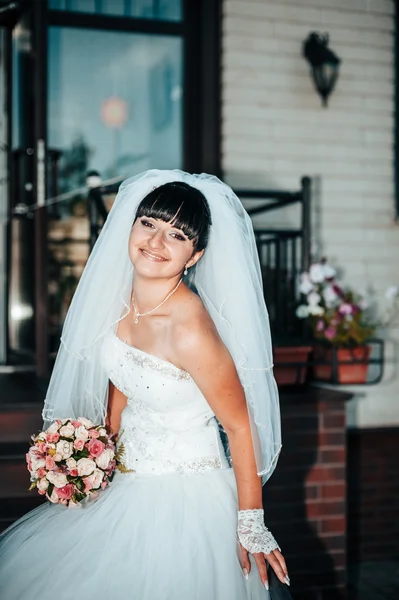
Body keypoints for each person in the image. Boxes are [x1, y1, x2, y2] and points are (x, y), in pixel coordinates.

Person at [0, 170, 290, 599]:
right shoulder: (120, 303)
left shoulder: (190, 329)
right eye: (149, 223)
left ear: (194, 257)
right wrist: (96, 456)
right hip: (125, 483)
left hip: (184, 501)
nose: (155, 243)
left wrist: (251, 523)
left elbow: (240, 427)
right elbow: (122, 381)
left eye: (176, 235)